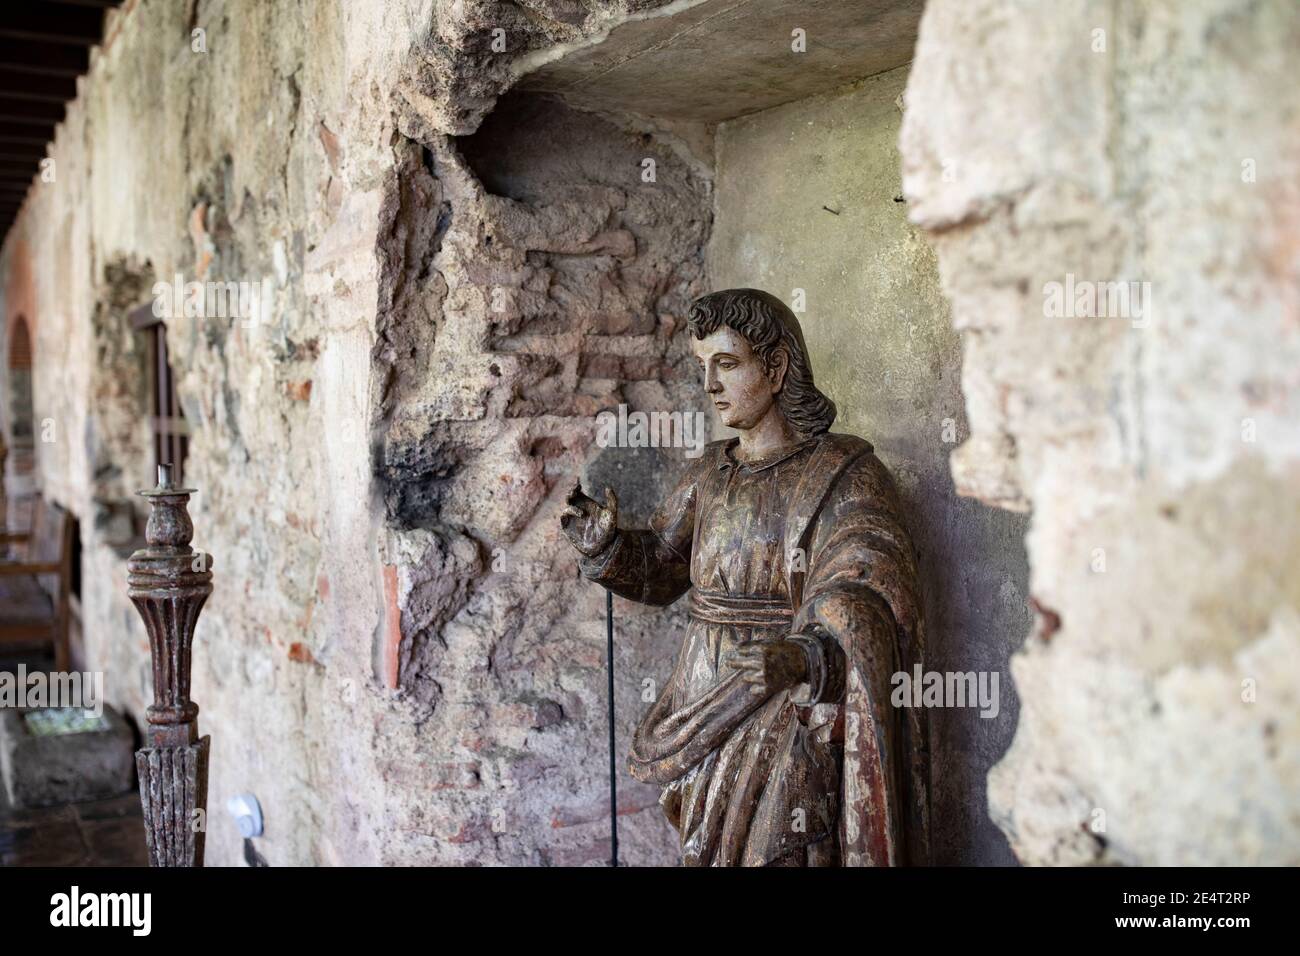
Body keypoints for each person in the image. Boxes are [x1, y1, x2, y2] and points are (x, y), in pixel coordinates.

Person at [562, 289, 928, 866]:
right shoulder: (709, 471)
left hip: (785, 704)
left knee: (779, 851)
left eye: (727, 364)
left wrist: (807, 658)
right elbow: (661, 569)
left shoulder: (842, 475)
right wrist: (608, 550)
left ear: (777, 367)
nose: (710, 385)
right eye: (702, 367)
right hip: (703, 692)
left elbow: (873, 595)